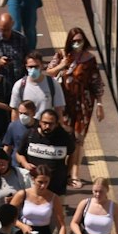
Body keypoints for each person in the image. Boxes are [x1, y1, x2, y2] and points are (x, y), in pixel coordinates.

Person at [50, 28, 104, 165]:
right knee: (65, 134)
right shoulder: (61, 55)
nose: (77, 44)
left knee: (79, 137)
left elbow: (96, 82)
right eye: (74, 41)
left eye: (79, 41)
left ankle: (74, 172)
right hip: (64, 102)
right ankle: (64, 167)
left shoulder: (90, 60)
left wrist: (99, 104)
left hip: (83, 104)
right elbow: (47, 73)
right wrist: (61, 66)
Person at [20, 107, 77, 195]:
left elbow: (72, 154)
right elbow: (19, 153)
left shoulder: (64, 137)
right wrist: (25, 164)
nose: (47, 126)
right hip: (32, 184)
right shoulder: (30, 134)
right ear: (40, 122)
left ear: (56, 124)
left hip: (56, 184)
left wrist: (67, 173)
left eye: (51, 124)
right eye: (45, 123)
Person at [0, 10, 28, 78]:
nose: (5, 33)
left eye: (7, 30)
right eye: (2, 30)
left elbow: (27, 58)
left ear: (12, 24)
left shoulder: (21, 39)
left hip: (18, 79)